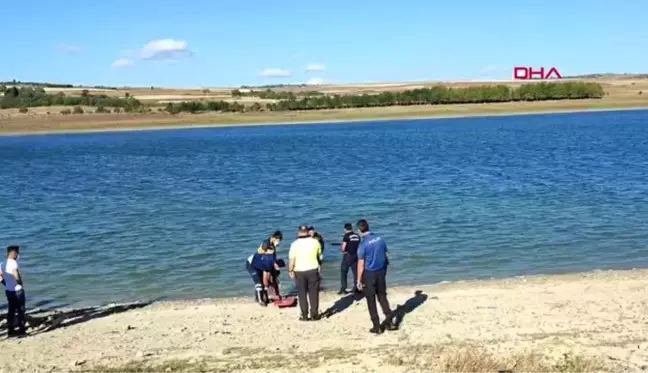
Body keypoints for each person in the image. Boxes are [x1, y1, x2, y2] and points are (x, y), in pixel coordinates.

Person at [356, 219, 397, 334]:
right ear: (368, 227)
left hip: (369, 274)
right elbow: (385, 255)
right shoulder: (380, 238)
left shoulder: (363, 245)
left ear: (359, 230)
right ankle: (390, 322)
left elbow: (361, 264)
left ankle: (377, 326)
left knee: (371, 299)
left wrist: (358, 280)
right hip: (381, 271)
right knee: (382, 296)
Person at [288, 226, 322, 321]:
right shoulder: (315, 242)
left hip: (299, 271)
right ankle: (314, 315)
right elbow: (319, 256)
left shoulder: (294, 244)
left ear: (298, 232)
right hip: (313, 269)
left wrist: (290, 270)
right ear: (307, 232)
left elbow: (292, 260)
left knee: (301, 293)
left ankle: (304, 315)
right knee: (313, 293)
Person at [1, 245, 26, 337]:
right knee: (21, 310)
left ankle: (10, 331)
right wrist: (19, 283)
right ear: (13, 253)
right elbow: (16, 274)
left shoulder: (2, 264)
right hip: (17, 291)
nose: (18, 255)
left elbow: (0, 278)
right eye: (17, 253)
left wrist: (6, 284)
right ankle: (22, 330)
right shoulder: (13, 263)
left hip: (8, 290)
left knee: (11, 310)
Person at [339, 223, 361, 295]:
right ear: (351, 228)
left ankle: (343, 288)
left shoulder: (346, 236)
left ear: (345, 229)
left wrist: (342, 249)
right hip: (356, 256)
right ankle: (356, 288)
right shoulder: (357, 235)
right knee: (355, 273)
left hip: (348, 256)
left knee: (344, 272)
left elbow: (343, 248)